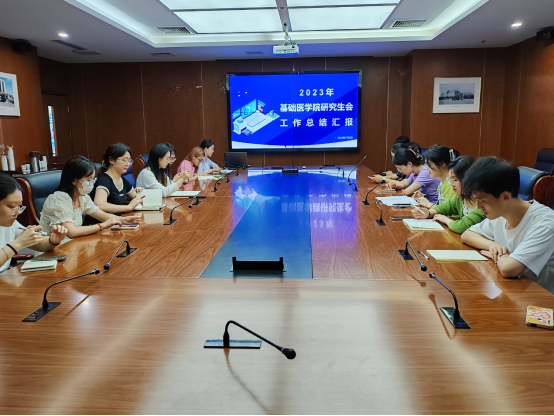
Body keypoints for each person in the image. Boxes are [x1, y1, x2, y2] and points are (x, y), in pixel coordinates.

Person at [460, 157, 554, 292]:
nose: (478, 206)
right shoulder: (501, 212)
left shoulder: (545, 223)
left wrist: (501, 254)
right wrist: (493, 246)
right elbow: (467, 235)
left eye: (482, 200)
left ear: (505, 196)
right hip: (511, 290)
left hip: (538, 299)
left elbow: (508, 269)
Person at [39, 156, 140, 245]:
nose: (91, 183)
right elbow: (71, 232)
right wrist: (102, 225)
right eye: (88, 180)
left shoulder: (83, 197)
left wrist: (123, 220)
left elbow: (103, 215)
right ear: (74, 180)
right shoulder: (59, 198)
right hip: (55, 249)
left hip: (74, 244)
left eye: (93, 179)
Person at [0, 173, 68, 272]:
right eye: (11, 206)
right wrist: (17, 244)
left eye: (19, 206)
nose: (17, 212)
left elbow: (37, 244)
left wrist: (52, 241)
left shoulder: (10, 224)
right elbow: (18, 243)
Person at [411, 156, 485, 233]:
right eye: (450, 179)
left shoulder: (482, 202)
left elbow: (461, 227)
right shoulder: (460, 198)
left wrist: (445, 219)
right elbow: (443, 208)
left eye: (455, 180)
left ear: (468, 180)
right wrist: (428, 213)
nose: (451, 184)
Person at [90, 143, 144, 215]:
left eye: (129, 161)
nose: (128, 164)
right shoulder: (104, 180)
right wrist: (128, 207)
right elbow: (100, 205)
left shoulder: (122, 179)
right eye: (124, 160)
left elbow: (136, 197)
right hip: (105, 221)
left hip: (120, 219)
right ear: (111, 160)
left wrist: (139, 193)